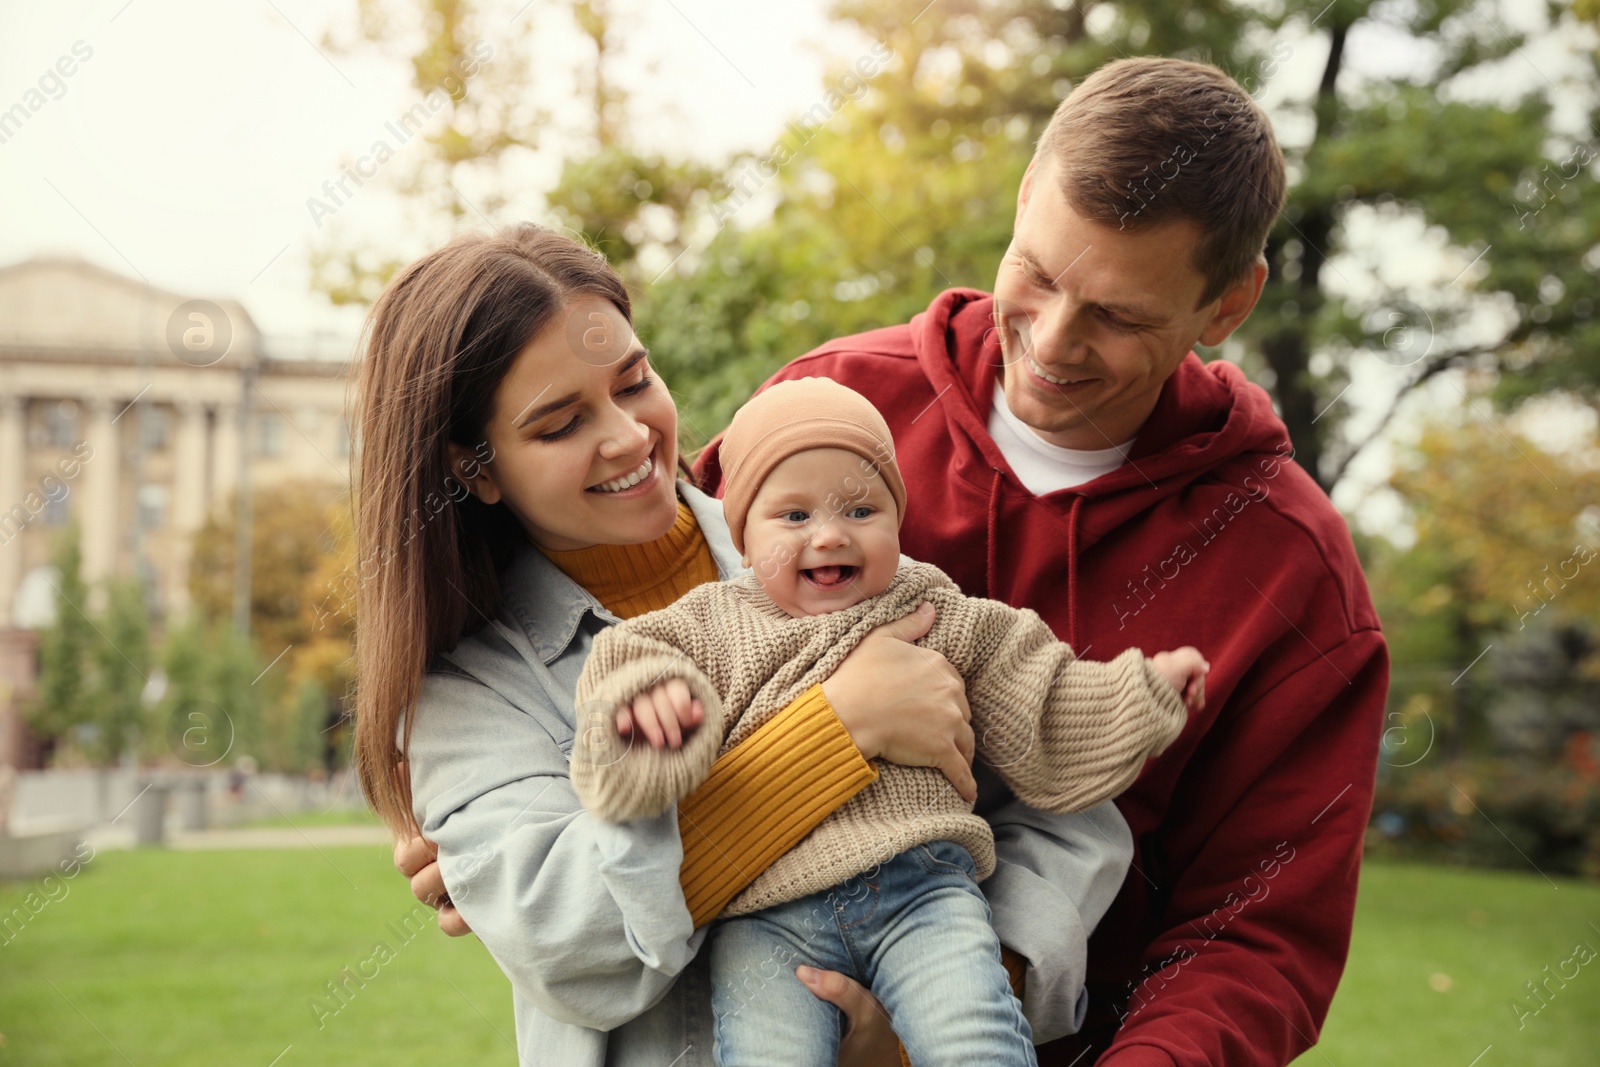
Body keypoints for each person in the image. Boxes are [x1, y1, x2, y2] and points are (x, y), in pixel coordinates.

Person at [692, 58, 1390, 1066]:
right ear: (1026, 196)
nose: (1054, 342)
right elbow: (632, 620)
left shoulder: (1288, 569)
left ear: (1228, 305)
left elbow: (1254, 935)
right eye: (1040, 274)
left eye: (1119, 314)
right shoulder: (827, 407)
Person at [359, 224, 1139, 1067]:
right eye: (559, 425)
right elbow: (575, 945)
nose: (627, 436)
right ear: (473, 466)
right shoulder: (470, 698)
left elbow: (1072, 810)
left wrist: (967, 999)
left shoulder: (842, 564)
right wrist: (838, 731)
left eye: (634, 381)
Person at [569, 377, 1207, 1067]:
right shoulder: (711, 622)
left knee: (976, 1040)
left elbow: (1037, 691)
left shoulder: (932, 606)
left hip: (924, 890)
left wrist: (1139, 690)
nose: (831, 534)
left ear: (898, 523)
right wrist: (647, 706)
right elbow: (627, 660)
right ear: (743, 540)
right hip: (765, 922)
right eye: (793, 516)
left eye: (862, 508)